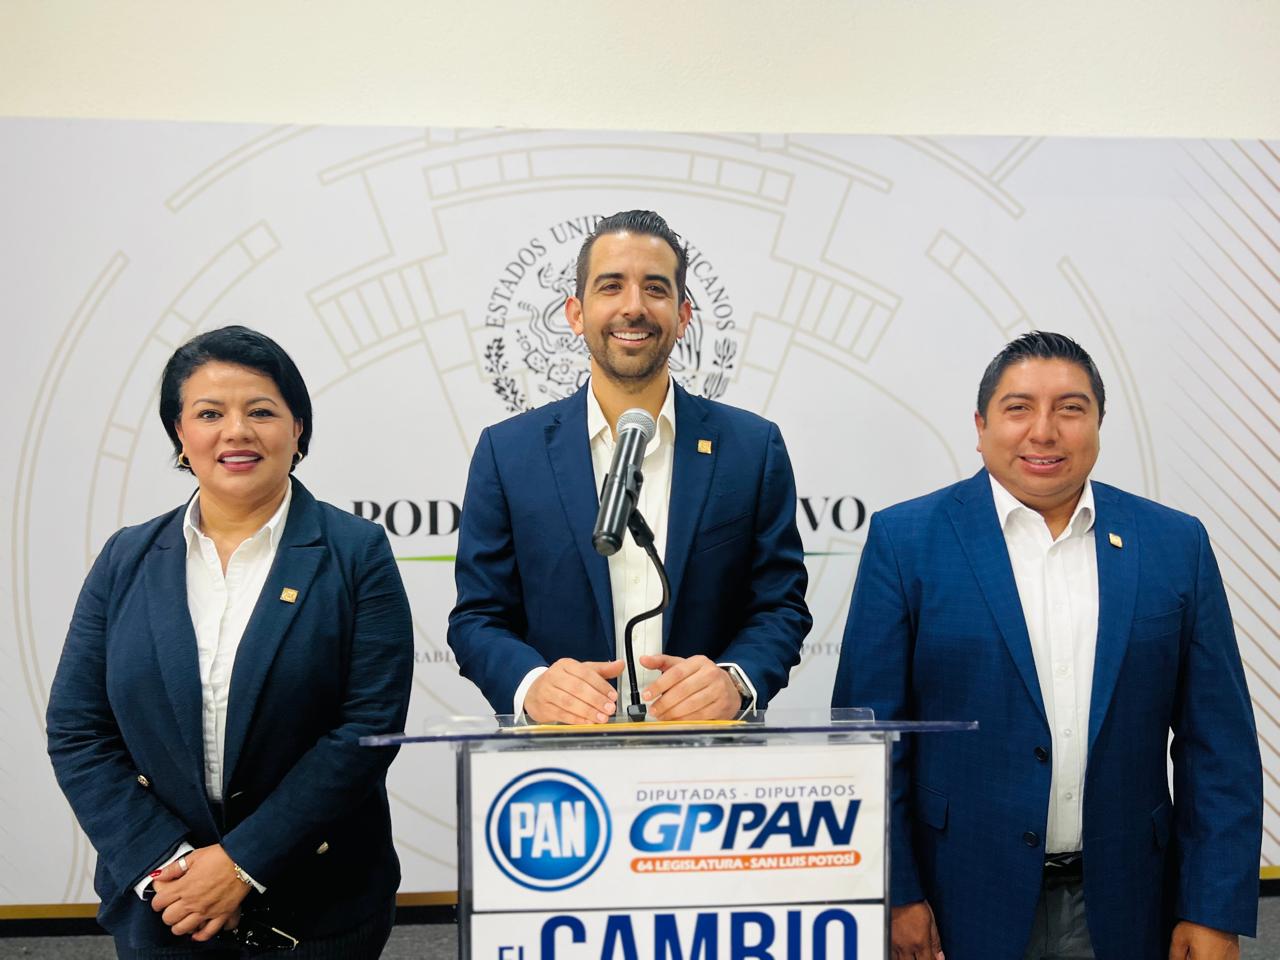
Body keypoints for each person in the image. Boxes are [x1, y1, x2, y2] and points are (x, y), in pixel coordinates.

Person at [833, 331, 1262, 960]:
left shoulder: (1174, 544)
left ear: (1098, 424)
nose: (1044, 431)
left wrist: (1212, 909)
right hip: (957, 900)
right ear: (980, 427)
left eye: (1070, 408)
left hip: (1129, 901)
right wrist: (894, 894)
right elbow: (869, 738)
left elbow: (1218, 745)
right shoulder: (907, 542)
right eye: (1018, 408)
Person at [46, 326, 414, 958]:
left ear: (297, 429)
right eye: (210, 414)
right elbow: (78, 730)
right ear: (179, 434)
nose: (236, 432)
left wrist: (242, 863)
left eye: (261, 412)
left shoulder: (357, 553)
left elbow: (367, 727)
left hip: (319, 905)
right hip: (167, 906)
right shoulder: (125, 558)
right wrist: (170, 865)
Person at [448, 209, 811, 723]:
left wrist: (736, 680)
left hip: (709, 752)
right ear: (576, 313)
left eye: (656, 289)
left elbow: (781, 607)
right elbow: (478, 618)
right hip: (560, 757)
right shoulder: (507, 454)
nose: (634, 307)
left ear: (684, 316)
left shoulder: (752, 449)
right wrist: (532, 685)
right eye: (611, 286)